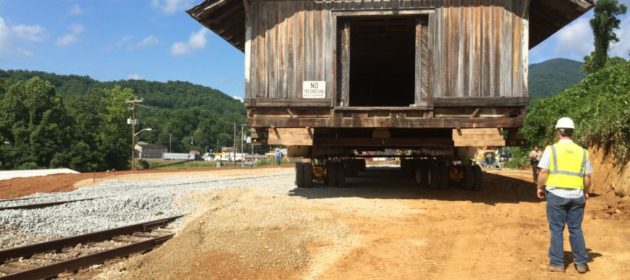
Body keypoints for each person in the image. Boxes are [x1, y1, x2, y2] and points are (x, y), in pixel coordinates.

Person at [536, 117, 592, 273]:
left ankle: (557, 263)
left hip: (556, 194)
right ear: (572, 132)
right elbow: (587, 177)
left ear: (558, 132)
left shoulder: (551, 149)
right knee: (576, 229)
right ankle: (581, 263)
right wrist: (586, 192)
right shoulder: (583, 152)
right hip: (576, 195)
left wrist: (540, 187)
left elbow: (543, 171)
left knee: (556, 229)